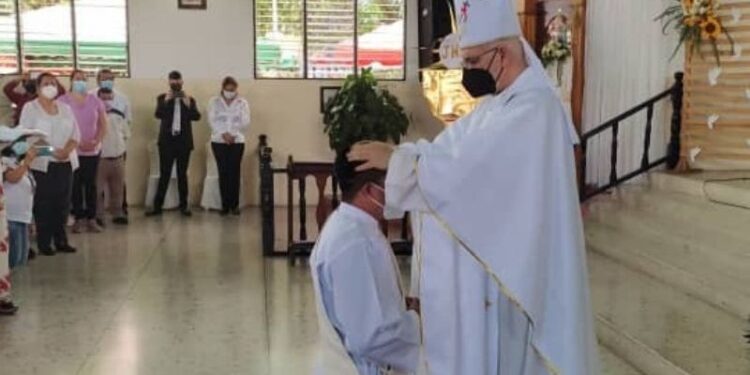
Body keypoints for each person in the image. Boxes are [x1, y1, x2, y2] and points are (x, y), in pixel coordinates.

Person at [348, 0, 600, 373]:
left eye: (472, 62)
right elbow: (446, 151)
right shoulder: (497, 104)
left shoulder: (535, 108)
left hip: (516, 278)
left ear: (502, 54)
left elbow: (464, 172)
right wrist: (400, 153)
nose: (467, 73)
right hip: (494, 272)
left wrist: (398, 161)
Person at [309, 159, 420, 375]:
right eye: (389, 185)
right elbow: (371, 337)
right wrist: (417, 321)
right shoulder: (354, 241)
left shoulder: (352, 226)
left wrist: (397, 304)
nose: (395, 193)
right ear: (369, 190)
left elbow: (358, 302)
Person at [19, 72, 80, 256]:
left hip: (66, 162)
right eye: (46, 83)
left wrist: (66, 151)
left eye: (53, 83)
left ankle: (61, 239)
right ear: (37, 88)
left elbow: (75, 135)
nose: (50, 86)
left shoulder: (65, 108)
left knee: (63, 203)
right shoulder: (31, 108)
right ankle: (45, 243)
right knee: (44, 204)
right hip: (42, 164)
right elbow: (29, 137)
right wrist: (54, 152)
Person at [59, 70, 108, 233]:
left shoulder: (95, 100)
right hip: (73, 151)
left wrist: (96, 141)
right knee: (75, 185)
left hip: (92, 151)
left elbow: (103, 124)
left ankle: (91, 218)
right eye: (77, 79)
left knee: (91, 185)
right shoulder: (63, 101)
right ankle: (78, 218)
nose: (81, 82)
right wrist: (76, 144)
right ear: (71, 81)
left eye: (84, 79)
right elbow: (60, 126)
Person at [147, 70, 200, 217]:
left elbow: (196, 117)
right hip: (167, 142)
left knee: (182, 174)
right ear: (169, 82)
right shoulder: (162, 98)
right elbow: (159, 114)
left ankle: (184, 206)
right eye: (173, 80)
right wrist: (166, 101)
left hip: (184, 142)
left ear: (182, 82)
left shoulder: (190, 99)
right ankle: (157, 206)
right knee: (165, 173)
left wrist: (188, 104)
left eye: (178, 80)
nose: (176, 83)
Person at [207, 76, 250, 216]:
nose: (230, 91)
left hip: (237, 142)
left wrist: (233, 134)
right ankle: (225, 205)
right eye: (228, 89)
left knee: (234, 172)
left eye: (232, 89)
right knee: (223, 172)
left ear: (236, 89)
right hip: (218, 141)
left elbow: (245, 121)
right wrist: (223, 134)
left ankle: (235, 205)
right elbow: (212, 120)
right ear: (223, 88)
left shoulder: (242, 102)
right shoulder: (214, 102)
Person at [92, 69, 132, 219]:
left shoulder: (123, 99)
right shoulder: (90, 97)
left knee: (119, 185)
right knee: (97, 187)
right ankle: (98, 215)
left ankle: (119, 212)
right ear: (98, 80)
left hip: (118, 151)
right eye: (104, 78)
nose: (107, 81)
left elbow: (128, 123)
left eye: (110, 78)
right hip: (98, 153)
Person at [4, 144, 37, 268]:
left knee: (22, 257)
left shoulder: (24, 167)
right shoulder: (6, 163)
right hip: (11, 217)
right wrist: (26, 162)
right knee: (13, 257)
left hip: (24, 217)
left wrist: (31, 221)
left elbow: (29, 194)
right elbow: (13, 178)